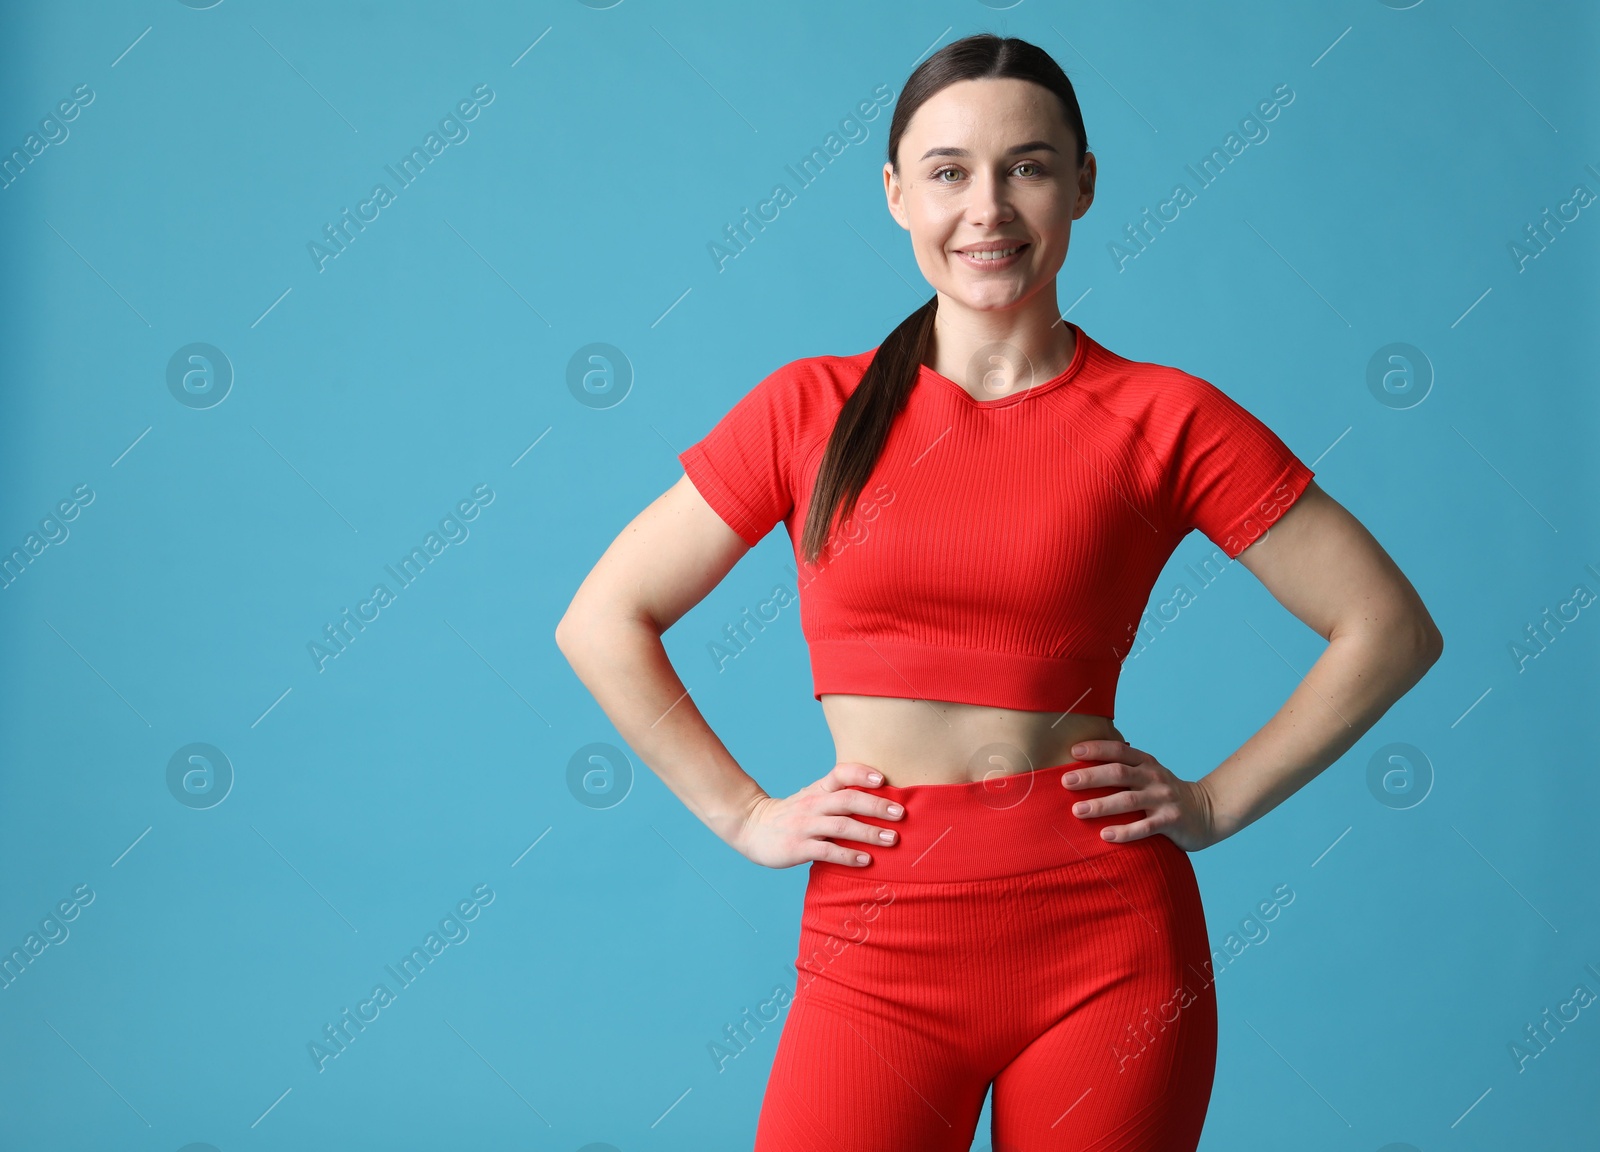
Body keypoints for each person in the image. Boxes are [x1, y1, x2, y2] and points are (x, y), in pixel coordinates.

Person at [555, 32, 1443, 1152]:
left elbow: (1390, 628)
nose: (988, 208)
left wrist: (1213, 804)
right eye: (947, 172)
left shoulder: (1161, 417)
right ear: (893, 194)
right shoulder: (806, 412)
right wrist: (744, 814)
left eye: (1025, 167)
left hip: (1109, 948)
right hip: (873, 947)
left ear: (1081, 183)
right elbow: (601, 619)